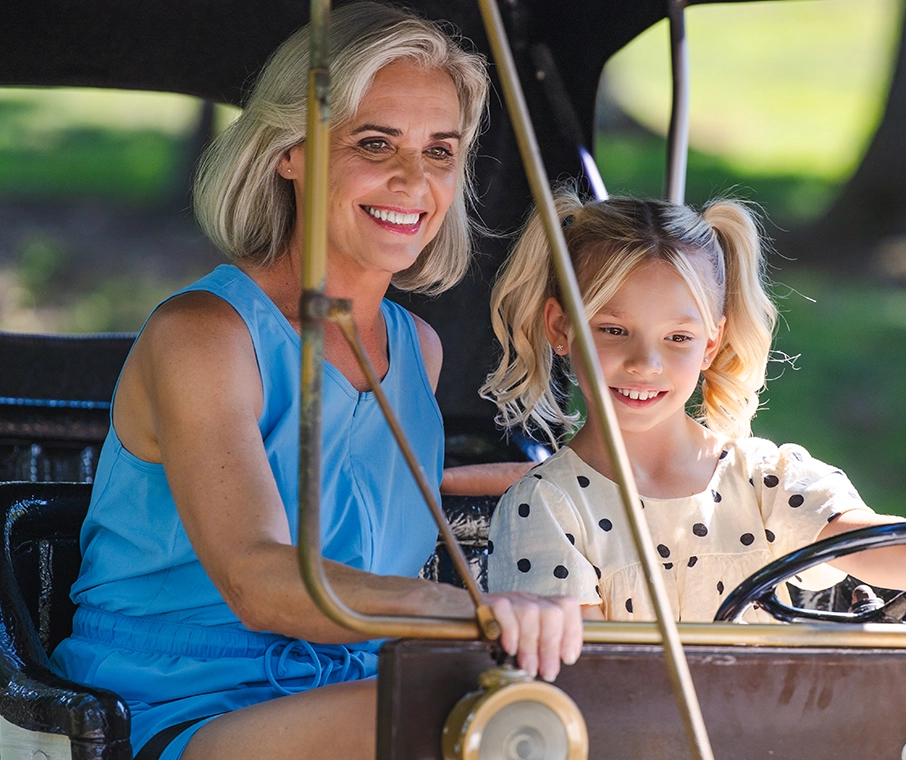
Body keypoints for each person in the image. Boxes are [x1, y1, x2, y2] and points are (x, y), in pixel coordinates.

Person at [48, 5, 581, 760]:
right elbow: (260, 581)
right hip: (179, 704)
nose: (412, 179)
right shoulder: (204, 335)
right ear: (289, 151)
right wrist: (471, 609)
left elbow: (344, 485)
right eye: (375, 142)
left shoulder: (416, 349)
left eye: (440, 151)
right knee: (471, 725)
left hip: (358, 687)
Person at [483, 190, 906, 623]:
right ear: (560, 328)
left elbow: (865, 543)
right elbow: (576, 668)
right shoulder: (549, 506)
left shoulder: (765, 480)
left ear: (710, 344)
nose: (644, 363)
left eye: (677, 338)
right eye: (613, 329)